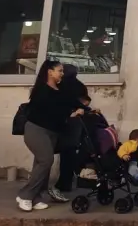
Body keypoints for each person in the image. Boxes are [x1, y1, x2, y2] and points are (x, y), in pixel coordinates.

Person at [17, 60, 85, 212]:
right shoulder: (42, 91)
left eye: (62, 71)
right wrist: (71, 114)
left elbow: (71, 102)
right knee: (46, 160)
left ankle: (36, 197)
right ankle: (25, 195)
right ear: (50, 72)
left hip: (52, 132)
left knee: (41, 164)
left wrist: (85, 109)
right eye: (59, 70)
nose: (62, 73)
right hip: (36, 130)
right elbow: (51, 112)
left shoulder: (59, 89)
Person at [52, 65, 90, 201]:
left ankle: (62, 183)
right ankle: (68, 181)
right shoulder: (80, 86)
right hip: (77, 123)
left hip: (65, 122)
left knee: (62, 152)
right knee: (71, 152)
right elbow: (86, 101)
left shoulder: (60, 85)